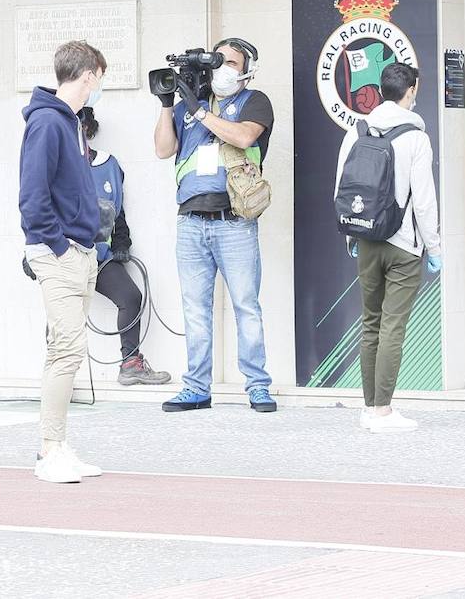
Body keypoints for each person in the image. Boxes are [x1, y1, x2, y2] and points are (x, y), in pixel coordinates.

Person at [153, 38, 277, 413]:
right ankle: (196, 388)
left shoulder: (254, 101)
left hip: (233, 222)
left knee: (245, 305)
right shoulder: (191, 106)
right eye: (218, 61)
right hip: (190, 222)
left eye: (231, 62)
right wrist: (167, 105)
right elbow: (162, 149)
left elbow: (243, 136)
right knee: (195, 308)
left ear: (246, 68)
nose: (223, 67)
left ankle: (257, 385)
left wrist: (201, 113)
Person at [334, 63, 442, 432]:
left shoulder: (357, 129)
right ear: (411, 91)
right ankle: (382, 411)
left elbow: (342, 188)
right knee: (393, 327)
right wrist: (435, 246)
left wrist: (352, 235)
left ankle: (369, 407)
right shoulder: (416, 137)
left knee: (370, 324)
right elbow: (424, 199)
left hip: (365, 239)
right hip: (403, 246)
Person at [20, 40, 108, 484]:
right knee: (66, 349)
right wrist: (58, 247)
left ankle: (57, 447)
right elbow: (32, 196)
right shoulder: (48, 124)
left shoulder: (66, 122)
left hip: (78, 249)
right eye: (98, 78)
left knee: (69, 349)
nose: (97, 87)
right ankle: (50, 449)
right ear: (89, 73)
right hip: (62, 252)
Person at [79, 106, 171, 386]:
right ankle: (58, 375)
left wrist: (121, 244)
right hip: (66, 256)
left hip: (100, 257)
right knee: (64, 311)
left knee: (131, 297)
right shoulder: (57, 165)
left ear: (88, 130)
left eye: (80, 128)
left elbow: (117, 213)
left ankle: (130, 363)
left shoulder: (109, 165)